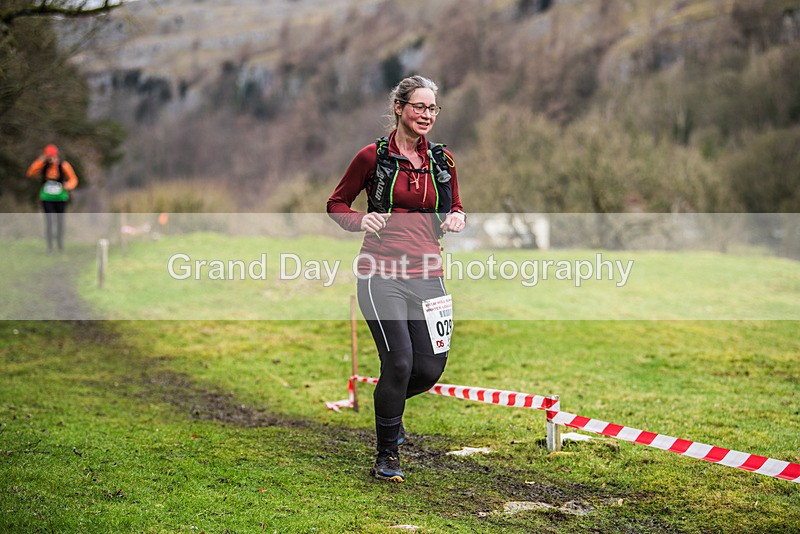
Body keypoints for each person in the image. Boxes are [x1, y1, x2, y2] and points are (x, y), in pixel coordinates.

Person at [327, 75, 466, 482]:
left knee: (430, 367)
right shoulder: (372, 157)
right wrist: (359, 219)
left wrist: (457, 215)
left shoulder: (443, 160)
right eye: (419, 107)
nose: (426, 115)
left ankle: (391, 411)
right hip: (380, 273)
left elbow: (455, 203)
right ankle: (387, 455)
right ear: (399, 108)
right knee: (400, 362)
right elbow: (336, 203)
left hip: (429, 274)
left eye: (432, 108)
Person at [26, 144, 79, 253]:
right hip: (46, 198)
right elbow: (30, 173)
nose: (51, 158)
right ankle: (50, 247)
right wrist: (41, 160)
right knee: (49, 222)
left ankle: (60, 245)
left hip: (61, 198)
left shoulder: (64, 165)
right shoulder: (43, 165)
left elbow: (73, 179)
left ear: (56, 155)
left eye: (52, 156)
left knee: (60, 222)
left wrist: (67, 186)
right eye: (48, 156)